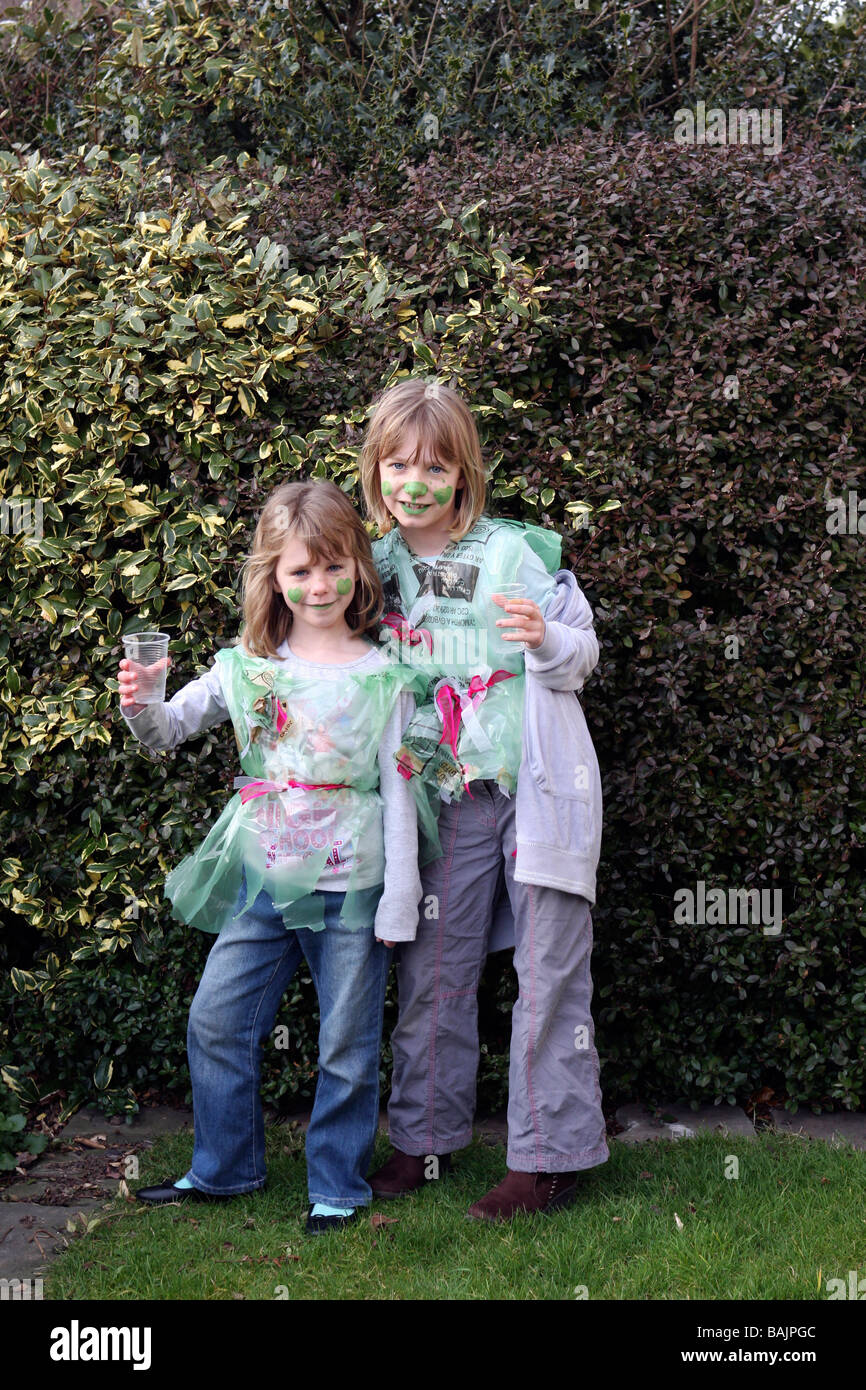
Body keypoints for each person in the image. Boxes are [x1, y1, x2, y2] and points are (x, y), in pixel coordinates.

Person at [117, 480, 426, 1234]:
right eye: (299, 571)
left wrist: (400, 897)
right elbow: (166, 734)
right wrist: (142, 702)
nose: (318, 585)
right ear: (273, 578)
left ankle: (336, 1184)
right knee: (216, 1020)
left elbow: (400, 788)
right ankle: (224, 1169)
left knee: (346, 1043)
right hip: (265, 878)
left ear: (358, 567)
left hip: (352, 885)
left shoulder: (386, 675)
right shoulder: (248, 668)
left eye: (333, 566)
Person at [360, 377, 608, 1221]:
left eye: (434, 464)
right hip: (441, 800)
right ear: (376, 469)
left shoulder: (515, 553)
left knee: (547, 976)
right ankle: (422, 1140)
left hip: (535, 792)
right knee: (432, 971)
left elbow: (583, 654)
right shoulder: (375, 568)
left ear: (462, 473)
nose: (414, 482)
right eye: (398, 463)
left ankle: (549, 1158)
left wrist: (546, 642)